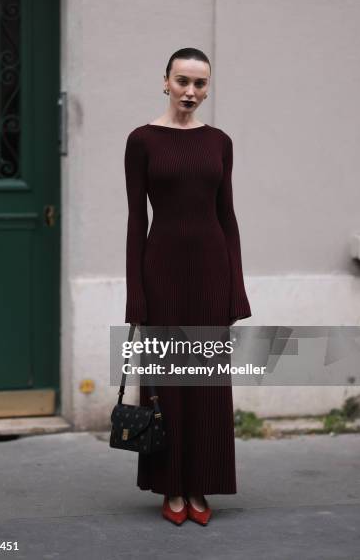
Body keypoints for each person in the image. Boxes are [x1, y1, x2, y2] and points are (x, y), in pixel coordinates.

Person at [124, 47, 252, 525]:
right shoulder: (142, 140)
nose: (191, 92)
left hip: (212, 274)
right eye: (182, 81)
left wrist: (236, 288)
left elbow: (227, 217)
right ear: (165, 81)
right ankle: (170, 487)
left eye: (200, 84)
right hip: (162, 275)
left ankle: (201, 486)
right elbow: (138, 220)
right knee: (167, 386)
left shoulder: (220, 142)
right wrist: (135, 292)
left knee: (207, 386)